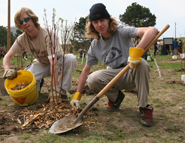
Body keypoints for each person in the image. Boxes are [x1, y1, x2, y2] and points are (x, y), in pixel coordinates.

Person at [70, 3, 158, 127]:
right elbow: (85, 71)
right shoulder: (95, 45)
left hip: (132, 72)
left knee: (142, 63)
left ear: (108, 20)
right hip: (114, 75)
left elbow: (152, 30)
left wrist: (136, 53)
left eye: (102, 20)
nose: (99, 25)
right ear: (92, 25)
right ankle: (116, 98)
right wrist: (77, 95)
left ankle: (144, 106)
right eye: (95, 22)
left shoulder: (121, 31)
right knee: (92, 79)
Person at [3, 7, 77, 102]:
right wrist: (7, 70)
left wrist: (54, 89)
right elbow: (7, 57)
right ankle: (37, 88)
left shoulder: (47, 34)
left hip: (58, 63)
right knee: (27, 81)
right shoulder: (22, 39)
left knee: (71, 58)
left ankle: (61, 92)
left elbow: (53, 63)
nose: (24, 23)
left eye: (26, 19)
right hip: (41, 64)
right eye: (21, 22)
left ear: (33, 18)